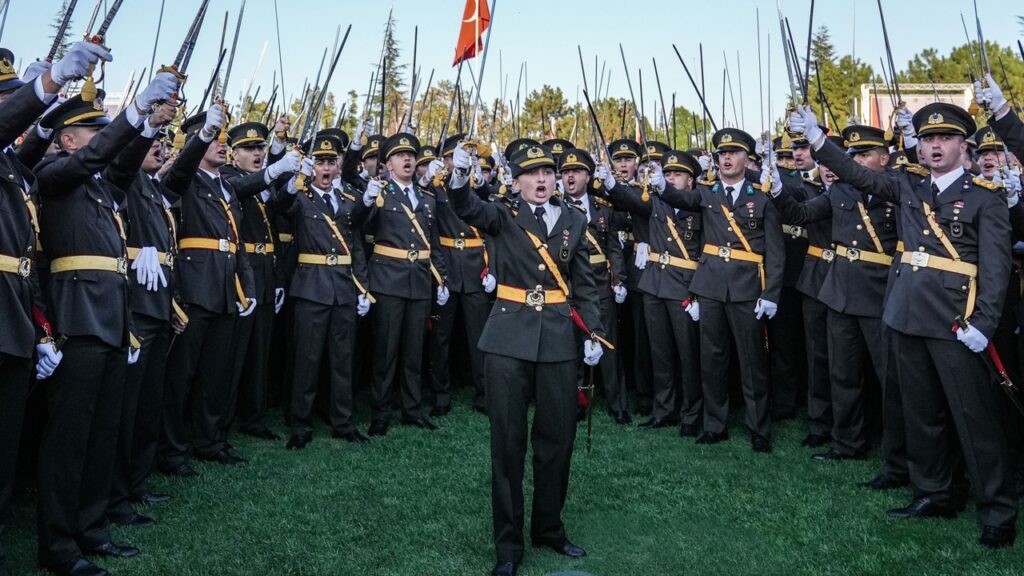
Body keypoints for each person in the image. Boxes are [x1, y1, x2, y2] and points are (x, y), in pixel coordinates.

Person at [791, 101, 1017, 548]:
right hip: (906, 314)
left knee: (974, 419)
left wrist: (985, 322)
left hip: (956, 322)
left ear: (962, 146)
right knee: (921, 413)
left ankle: (997, 510)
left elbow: (996, 269)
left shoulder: (984, 198)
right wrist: (819, 140)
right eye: (929, 139)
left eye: (945, 139)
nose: (935, 146)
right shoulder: (908, 185)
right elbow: (860, 176)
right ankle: (935, 491)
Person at [35, 64, 178, 575]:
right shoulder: (53, 175)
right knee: (70, 439)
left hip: (114, 320)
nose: (101, 141)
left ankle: (92, 528)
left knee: (101, 432)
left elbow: (121, 161)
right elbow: (100, 157)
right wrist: (134, 110)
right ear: (69, 140)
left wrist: (148, 124)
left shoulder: (102, 189)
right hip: (77, 320)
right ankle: (58, 544)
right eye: (94, 132)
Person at [447, 142, 604, 576]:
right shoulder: (502, 214)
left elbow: (586, 283)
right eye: (531, 175)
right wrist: (459, 176)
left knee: (558, 440)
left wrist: (594, 331)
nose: (541, 181)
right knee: (508, 444)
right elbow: (466, 207)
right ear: (515, 183)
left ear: (556, 180)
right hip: (507, 339)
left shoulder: (574, 218)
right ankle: (509, 547)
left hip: (557, 340)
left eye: (547, 174)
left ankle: (549, 529)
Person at [0, 43, 104, 576]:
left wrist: (40, 328)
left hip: (14, 321)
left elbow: (25, 258)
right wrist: (49, 84)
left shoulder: (15, 173)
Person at [654, 128, 786, 453]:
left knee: (752, 361)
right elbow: (682, 198)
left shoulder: (762, 197)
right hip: (711, 285)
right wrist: (660, 186)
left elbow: (776, 252)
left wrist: (770, 294)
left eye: (733, 152)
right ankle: (715, 424)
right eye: (721, 154)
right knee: (712, 360)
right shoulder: (706, 193)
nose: (726, 158)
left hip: (746, 288)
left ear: (747, 159)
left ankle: (759, 428)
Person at [158, 103, 256, 476]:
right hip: (195, 287)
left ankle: (209, 440)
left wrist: (246, 287)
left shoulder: (227, 188)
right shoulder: (184, 179)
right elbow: (178, 178)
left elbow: (237, 241)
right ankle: (172, 450)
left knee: (216, 373)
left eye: (222, 138)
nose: (221, 143)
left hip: (226, 288)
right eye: (213, 137)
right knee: (182, 375)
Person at [602, 149, 704, 435]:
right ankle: (663, 409)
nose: (671, 178)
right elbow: (629, 200)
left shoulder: (699, 205)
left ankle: (691, 413)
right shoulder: (655, 203)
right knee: (659, 353)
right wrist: (610, 184)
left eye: (678, 174)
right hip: (654, 284)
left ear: (691, 181)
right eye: (668, 174)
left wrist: (698, 290)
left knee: (688, 353)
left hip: (684, 285)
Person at [279, 134, 371, 448]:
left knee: (342, 359)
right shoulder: (301, 197)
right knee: (307, 359)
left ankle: (343, 422)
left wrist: (362, 288)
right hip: (311, 287)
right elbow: (280, 205)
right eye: (320, 162)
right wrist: (296, 180)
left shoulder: (348, 201)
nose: (326, 168)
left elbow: (356, 246)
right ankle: (300, 426)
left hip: (343, 289)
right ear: (312, 166)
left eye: (331, 162)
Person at [356, 132, 449, 436]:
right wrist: (367, 201)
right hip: (387, 279)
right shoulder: (380, 192)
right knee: (385, 351)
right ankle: (381, 412)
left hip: (419, 281)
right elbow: (360, 225)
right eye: (400, 155)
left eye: (410, 154)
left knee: (413, 351)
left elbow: (433, 243)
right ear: (388, 164)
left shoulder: (426, 199)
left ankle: (412, 409)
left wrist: (441, 277)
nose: (408, 159)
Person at [560, 148, 628, 424]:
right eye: (565, 172)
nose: (570, 177)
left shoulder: (604, 210)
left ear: (588, 176)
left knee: (608, 344)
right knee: (573, 347)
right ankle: (577, 403)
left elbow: (614, 249)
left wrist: (620, 280)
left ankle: (618, 404)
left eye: (575, 171)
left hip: (600, 283)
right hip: (570, 285)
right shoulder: (555, 207)